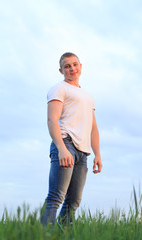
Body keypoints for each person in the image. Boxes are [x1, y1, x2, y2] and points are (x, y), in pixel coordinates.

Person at [41, 52, 102, 225]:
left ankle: (62, 235)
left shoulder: (88, 96)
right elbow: (52, 120)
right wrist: (61, 148)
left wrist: (97, 154)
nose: (72, 68)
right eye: (67, 66)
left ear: (81, 66)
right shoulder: (59, 88)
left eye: (75, 64)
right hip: (66, 143)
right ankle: (43, 235)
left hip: (83, 152)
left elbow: (93, 127)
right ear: (61, 70)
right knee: (56, 196)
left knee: (73, 202)